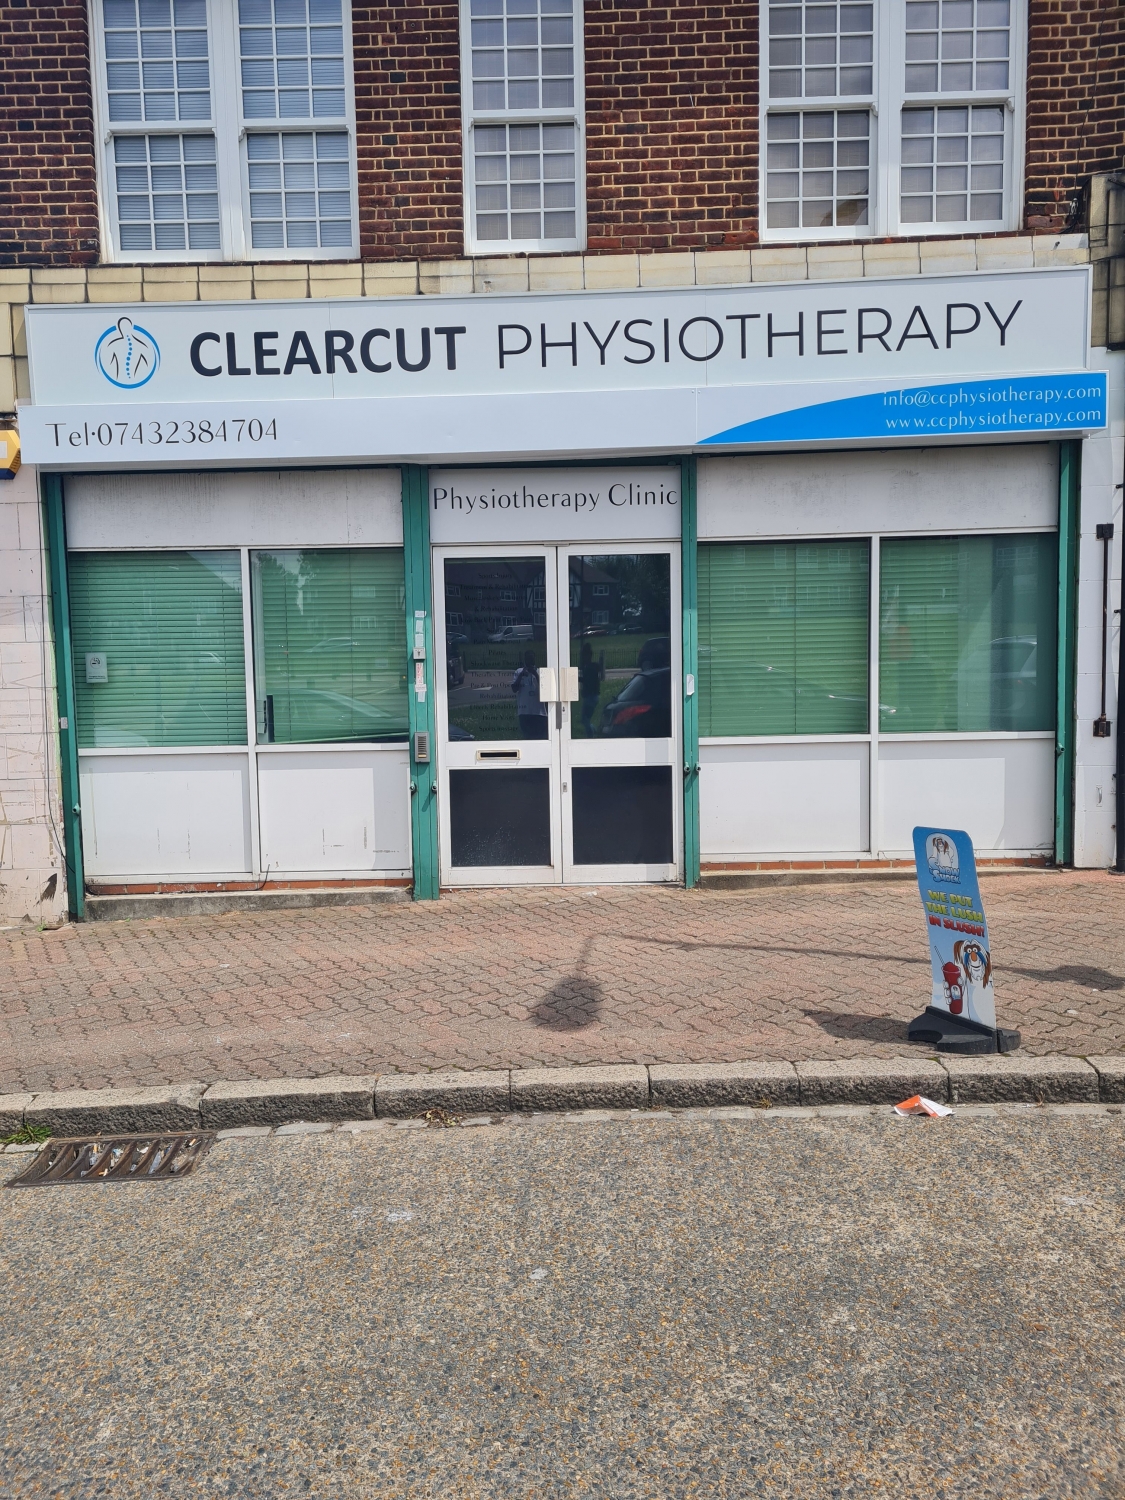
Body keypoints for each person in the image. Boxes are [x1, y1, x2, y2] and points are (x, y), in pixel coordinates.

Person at [511, 650, 548, 739]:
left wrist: (535, 674)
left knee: (540, 738)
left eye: (531, 658)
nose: (530, 660)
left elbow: (546, 689)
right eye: (528, 658)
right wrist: (521, 675)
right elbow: (514, 689)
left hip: (539, 712)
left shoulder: (540, 672)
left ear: (534, 659)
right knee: (527, 738)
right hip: (524, 712)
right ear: (525, 660)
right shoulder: (518, 671)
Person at [578, 640, 604, 736]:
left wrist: (578, 678)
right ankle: (594, 732)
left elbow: (588, 681)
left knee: (585, 719)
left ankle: (591, 735)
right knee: (586, 719)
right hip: (592, 696)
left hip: (590, 697)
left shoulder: (589, 668)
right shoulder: (592, 667)